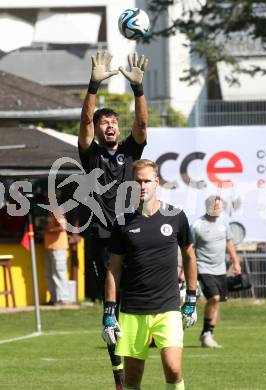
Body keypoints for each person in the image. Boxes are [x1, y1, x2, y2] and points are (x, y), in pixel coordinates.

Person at [78, 51, 149, 389]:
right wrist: (93, 84)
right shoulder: (89, 154)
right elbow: (84, 120)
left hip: (131, 233)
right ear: (96, 130)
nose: (109, 126)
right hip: (103, 237)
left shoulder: (130, 153)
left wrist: (138, 90)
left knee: (136, 304)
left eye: (113, 122)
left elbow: (143, 125)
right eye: (103, 122)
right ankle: (119, 379)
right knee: (111, 316)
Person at [102, 159, 198, 390]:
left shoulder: (176, 216)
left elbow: (189, 256)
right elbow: (113, 270)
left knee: (174, 369)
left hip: (168, 308)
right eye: (137, 181)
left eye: (147, 181)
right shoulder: (122, 222)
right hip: (133, 310)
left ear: (157, 182)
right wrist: (108, 313)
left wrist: (192, 299)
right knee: (132, 380)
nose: (142, 186)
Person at [191, 195, 241, 348]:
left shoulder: (223, 223)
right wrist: (185, 271)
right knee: (214, 297)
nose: (220, 208)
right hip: (203, 267)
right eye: (216, 206)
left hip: (221, 270)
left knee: (217, 301)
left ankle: (208, 335)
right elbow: (190, 250)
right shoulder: (197, 225)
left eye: (220, 206)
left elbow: (229, 243)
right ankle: (206, 333)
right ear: (208, 207)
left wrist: (236, 262)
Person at [43, 206, 69, 305]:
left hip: (58, 246)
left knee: (59, 273)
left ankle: (62, 299)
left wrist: (48, 231)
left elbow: (62, 227)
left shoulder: (58, 210)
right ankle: (54, 298)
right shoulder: (51, 210)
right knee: (49, 274)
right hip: (49, 246)